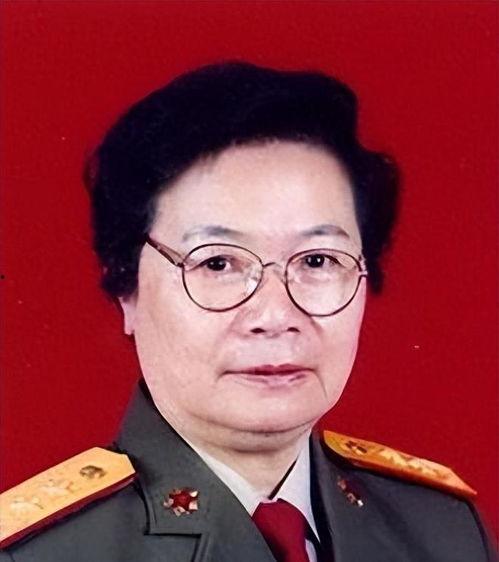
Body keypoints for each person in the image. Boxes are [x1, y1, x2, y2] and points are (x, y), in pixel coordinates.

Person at [0, 61, 495, 562]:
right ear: (126, 287)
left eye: (318, 261)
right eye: (217, 263)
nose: (275, 316)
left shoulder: (442, 532)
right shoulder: (41, 555)